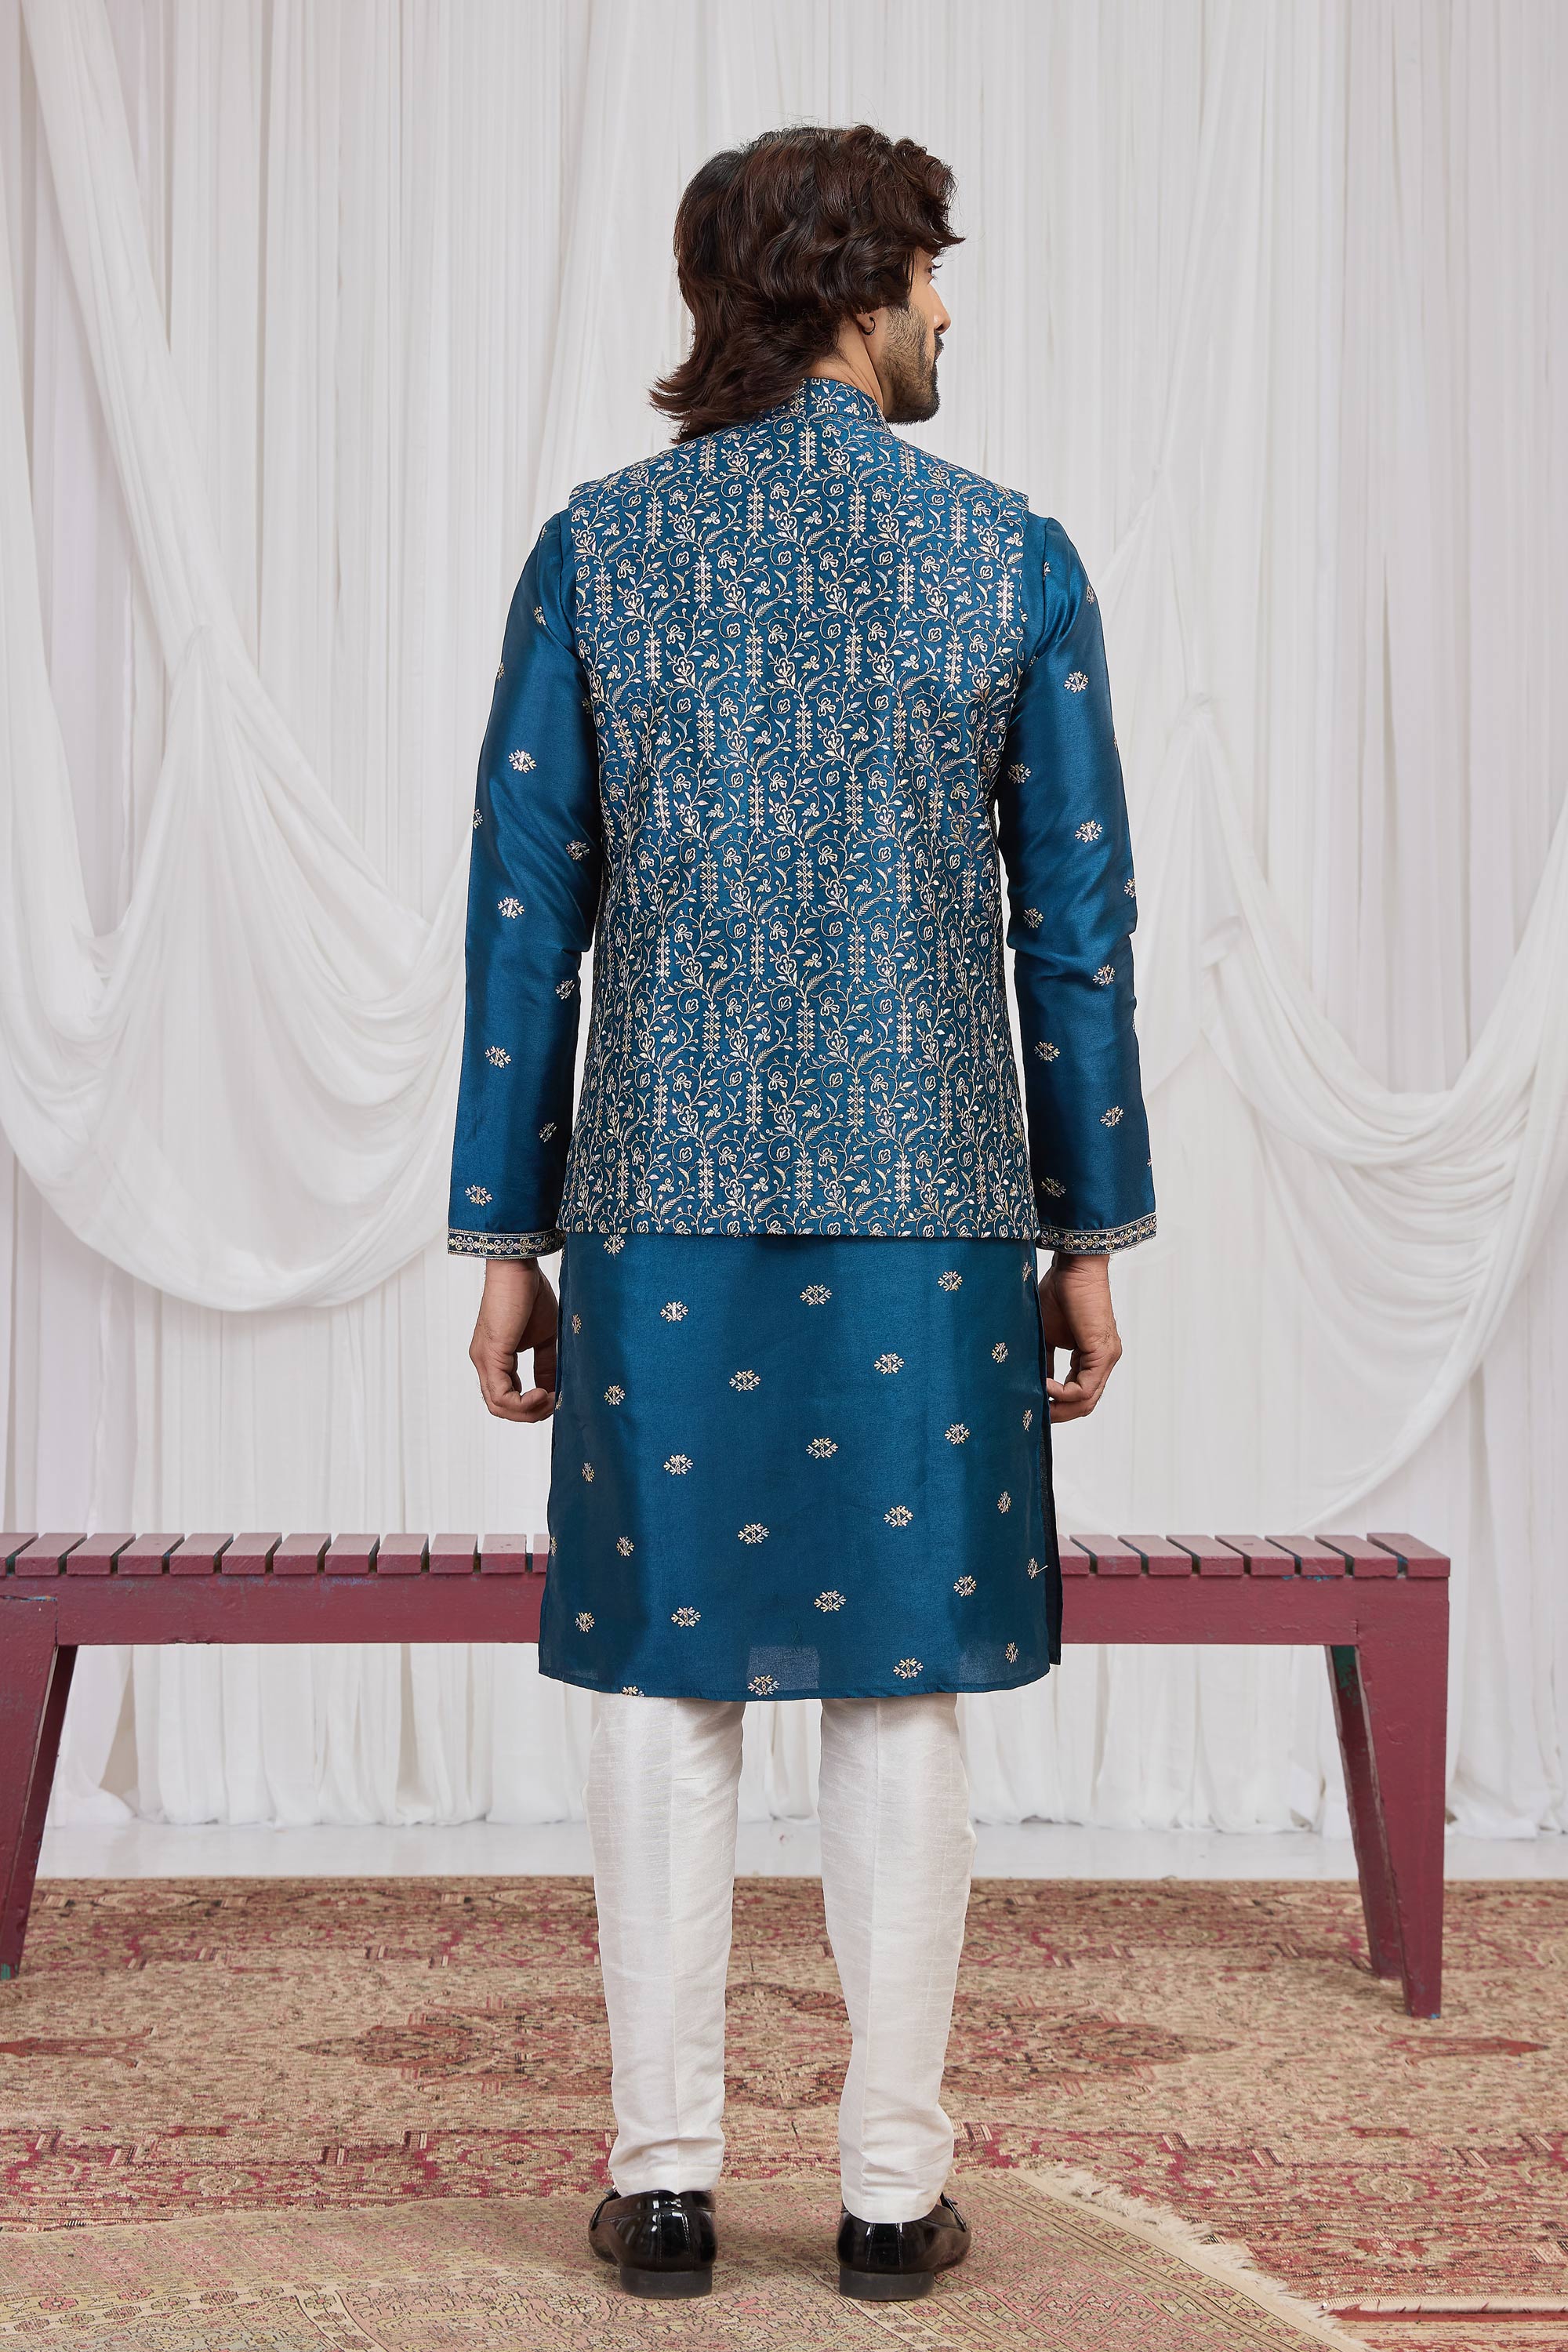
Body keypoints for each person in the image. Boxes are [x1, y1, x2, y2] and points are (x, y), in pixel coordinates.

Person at [448, 123, 1155, 2303]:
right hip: (932, 1209)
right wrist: (1089, 1230)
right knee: (897, 1685)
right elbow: (1079, 932)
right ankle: (887, 2198)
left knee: (669, 1685)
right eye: (933, 270)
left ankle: (664, 2186)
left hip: (654, 1200)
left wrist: (505, 1234)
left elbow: (523, 911)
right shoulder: (1007, 555)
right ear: (856, 286)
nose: (949, 307)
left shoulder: (600, 550)